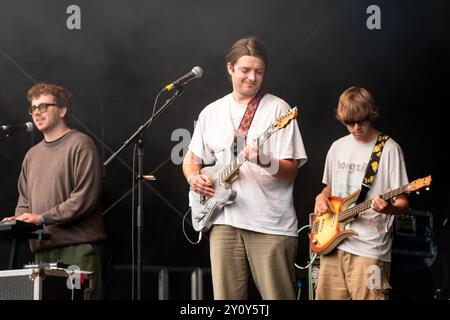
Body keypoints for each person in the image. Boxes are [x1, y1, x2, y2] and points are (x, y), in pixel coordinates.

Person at [182, 37, 307, 300]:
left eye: (259, 72)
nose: (252, 77)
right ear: (230, 68)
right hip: (224, 221)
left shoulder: (278, 109)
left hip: (270, 225)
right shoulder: (211, 112)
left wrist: (264, 160)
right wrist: (194, 177)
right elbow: (190, 159)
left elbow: (291, 171)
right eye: (245, 70)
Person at [2, 83, 106, 299]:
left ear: (62, 110)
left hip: (76, 248)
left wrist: (41, 218)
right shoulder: (32, 154)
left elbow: (83, 199)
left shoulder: (81, 144)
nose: (37, 113)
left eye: (44, 106)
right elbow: (24, 199)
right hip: (41, 250)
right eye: (33, 108)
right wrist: (20, 220)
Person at [313, 86, 409, 300]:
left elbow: (403, 202)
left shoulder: (389, 149)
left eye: (361, 121)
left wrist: (389, 207)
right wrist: (321, 197)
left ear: (372, 114)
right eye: (349, 122)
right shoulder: (337, 147)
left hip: (369, 248)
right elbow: (329, 188)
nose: (356, 127)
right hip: (332, 244)